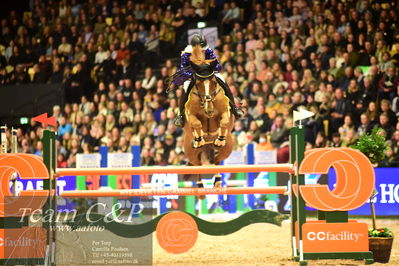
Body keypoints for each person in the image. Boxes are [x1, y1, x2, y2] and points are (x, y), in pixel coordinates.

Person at [171, 34, 242, 127]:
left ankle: (234, 108)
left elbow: (217, 66)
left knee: (223, 81)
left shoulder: (208, 51)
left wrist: (206, 68)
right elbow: (184, 70)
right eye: (201, 49)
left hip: (209, 74)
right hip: (193, 75)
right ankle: (180, 115)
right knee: (186, 88)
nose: (204, 51)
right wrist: (197, 70)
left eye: (204, 49)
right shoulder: (186, 54)